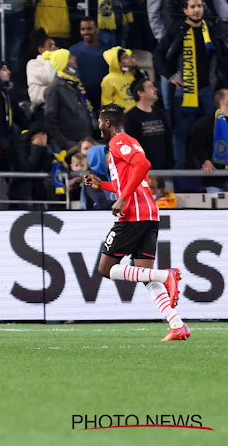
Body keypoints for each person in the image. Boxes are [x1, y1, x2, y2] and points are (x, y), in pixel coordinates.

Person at [83, 104, 189, 342]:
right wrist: (103, 185)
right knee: (144, 275)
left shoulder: (118, 141)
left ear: (107, 123)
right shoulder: (126, 143)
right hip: (147, 212)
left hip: (134, 214)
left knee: (105, 268)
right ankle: (177, 324)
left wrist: (122, 198)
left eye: (100, 122)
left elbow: (144, 166)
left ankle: (167, 276)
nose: (98, 127)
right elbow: (132, 179)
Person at [157, 0, 226, 168]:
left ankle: (209, 167)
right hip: (185, 90)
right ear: (185, 10)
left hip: (208, 90)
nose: (197, 10)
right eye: (193, 7)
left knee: (211, 130)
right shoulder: (177, 30)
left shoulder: (211, 29)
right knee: (181, 133)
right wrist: (171, 75)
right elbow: (158, 55)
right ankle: (180, 170)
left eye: (200, 6)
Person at [42, 48, 96, 151]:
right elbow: (50, 120)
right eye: (70, 57)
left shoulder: (76, 84)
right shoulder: (54, 89)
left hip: (85, 142)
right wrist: (64, 144)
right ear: (64, 64)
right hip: (70, 145)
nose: (75, 58)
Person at [125, 79, 174, 170]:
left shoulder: (160, 113)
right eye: (150, 87)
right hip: (142, 170)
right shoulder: (130, 117)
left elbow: (168, 140)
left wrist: (170, 164)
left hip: (164, 169)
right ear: (140, 93)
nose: (155, 89)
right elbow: (130, 147)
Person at [69, 17, 112, 110]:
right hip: (82, 99)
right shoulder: (73, 50)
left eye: (89, 28)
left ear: (97, 30)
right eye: (83, 29)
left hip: (105, 99)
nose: (86, 32)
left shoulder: (108, 50)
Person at [191, 88, 228, 191]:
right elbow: (197, 146)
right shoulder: (205, 123)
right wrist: (205, 160)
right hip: (214, 177)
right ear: (223, 102)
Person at [101, 46, 146, 112]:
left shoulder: (136, 73)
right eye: (125, 58)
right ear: (118, 63)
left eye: (128, 56)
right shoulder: (108, 80)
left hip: (142, 111)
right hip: (123, 116)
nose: (129, 59)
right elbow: (106, 103)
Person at [26, 29, 57, 109]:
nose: (54, 49)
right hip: (40, 108)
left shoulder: (58, 64)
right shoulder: (32, 64)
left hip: (58, 107)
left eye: (55, 46)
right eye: (50, 46)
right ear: (41, 49)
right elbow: (48, 77)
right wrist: (50, 58)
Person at [79, 143, 115, 210]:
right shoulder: (90, 180)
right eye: (108, 157)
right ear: (99, 159)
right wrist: (126, 203)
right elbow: (103, 204)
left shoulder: (111, 176)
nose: (112, 160)